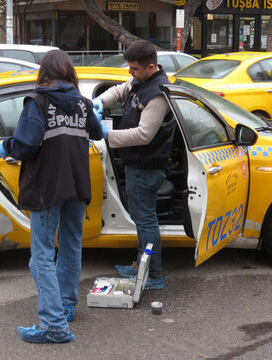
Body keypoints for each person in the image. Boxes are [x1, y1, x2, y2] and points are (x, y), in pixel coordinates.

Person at [0, 50, 104, 344]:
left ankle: (53, 325)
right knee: (71, 248)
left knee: (42, 255)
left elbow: (26, 144)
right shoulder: (82, 104)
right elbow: (97, 133)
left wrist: (6, 147)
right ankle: (66, 308)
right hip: (77, 186)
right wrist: (96, 112)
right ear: (70, 73)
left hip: (47, 187)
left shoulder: (38, 102)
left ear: (44, 73)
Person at [92, 40, 174, 291]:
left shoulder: (157, 94)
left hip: (146, 165)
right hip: (137, 163)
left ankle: (153, 276)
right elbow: (120, 90)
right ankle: (141, 264)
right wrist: (100, 102)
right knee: (141, 219)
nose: (130, 72)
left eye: (134, 68)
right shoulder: (141, 81)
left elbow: (143, 135)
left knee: (146, 221)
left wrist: (106, 135)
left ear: (151, 67)